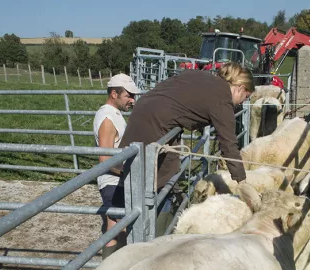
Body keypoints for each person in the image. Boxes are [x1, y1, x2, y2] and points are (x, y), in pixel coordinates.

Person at [118, 62, 255, 235]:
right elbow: (229, 144)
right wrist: (242, 181)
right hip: (155, 125)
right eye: (246, 97)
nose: (242, 102)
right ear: (240, 88)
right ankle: (152, 236)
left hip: (146, 111)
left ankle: (153, 222)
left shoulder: (206, 78)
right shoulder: (222, 98)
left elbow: (186, 101)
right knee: (153, 181)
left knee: (161, 173)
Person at [93, 73, 141, 259]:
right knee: (118, 227)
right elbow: (105, 159)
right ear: (114, 93)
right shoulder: (107, 118)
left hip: (117, 179)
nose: (133, 101)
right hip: (112, 181)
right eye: (129, 96)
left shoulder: (114, 115)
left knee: (116, 226)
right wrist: (132, 171)